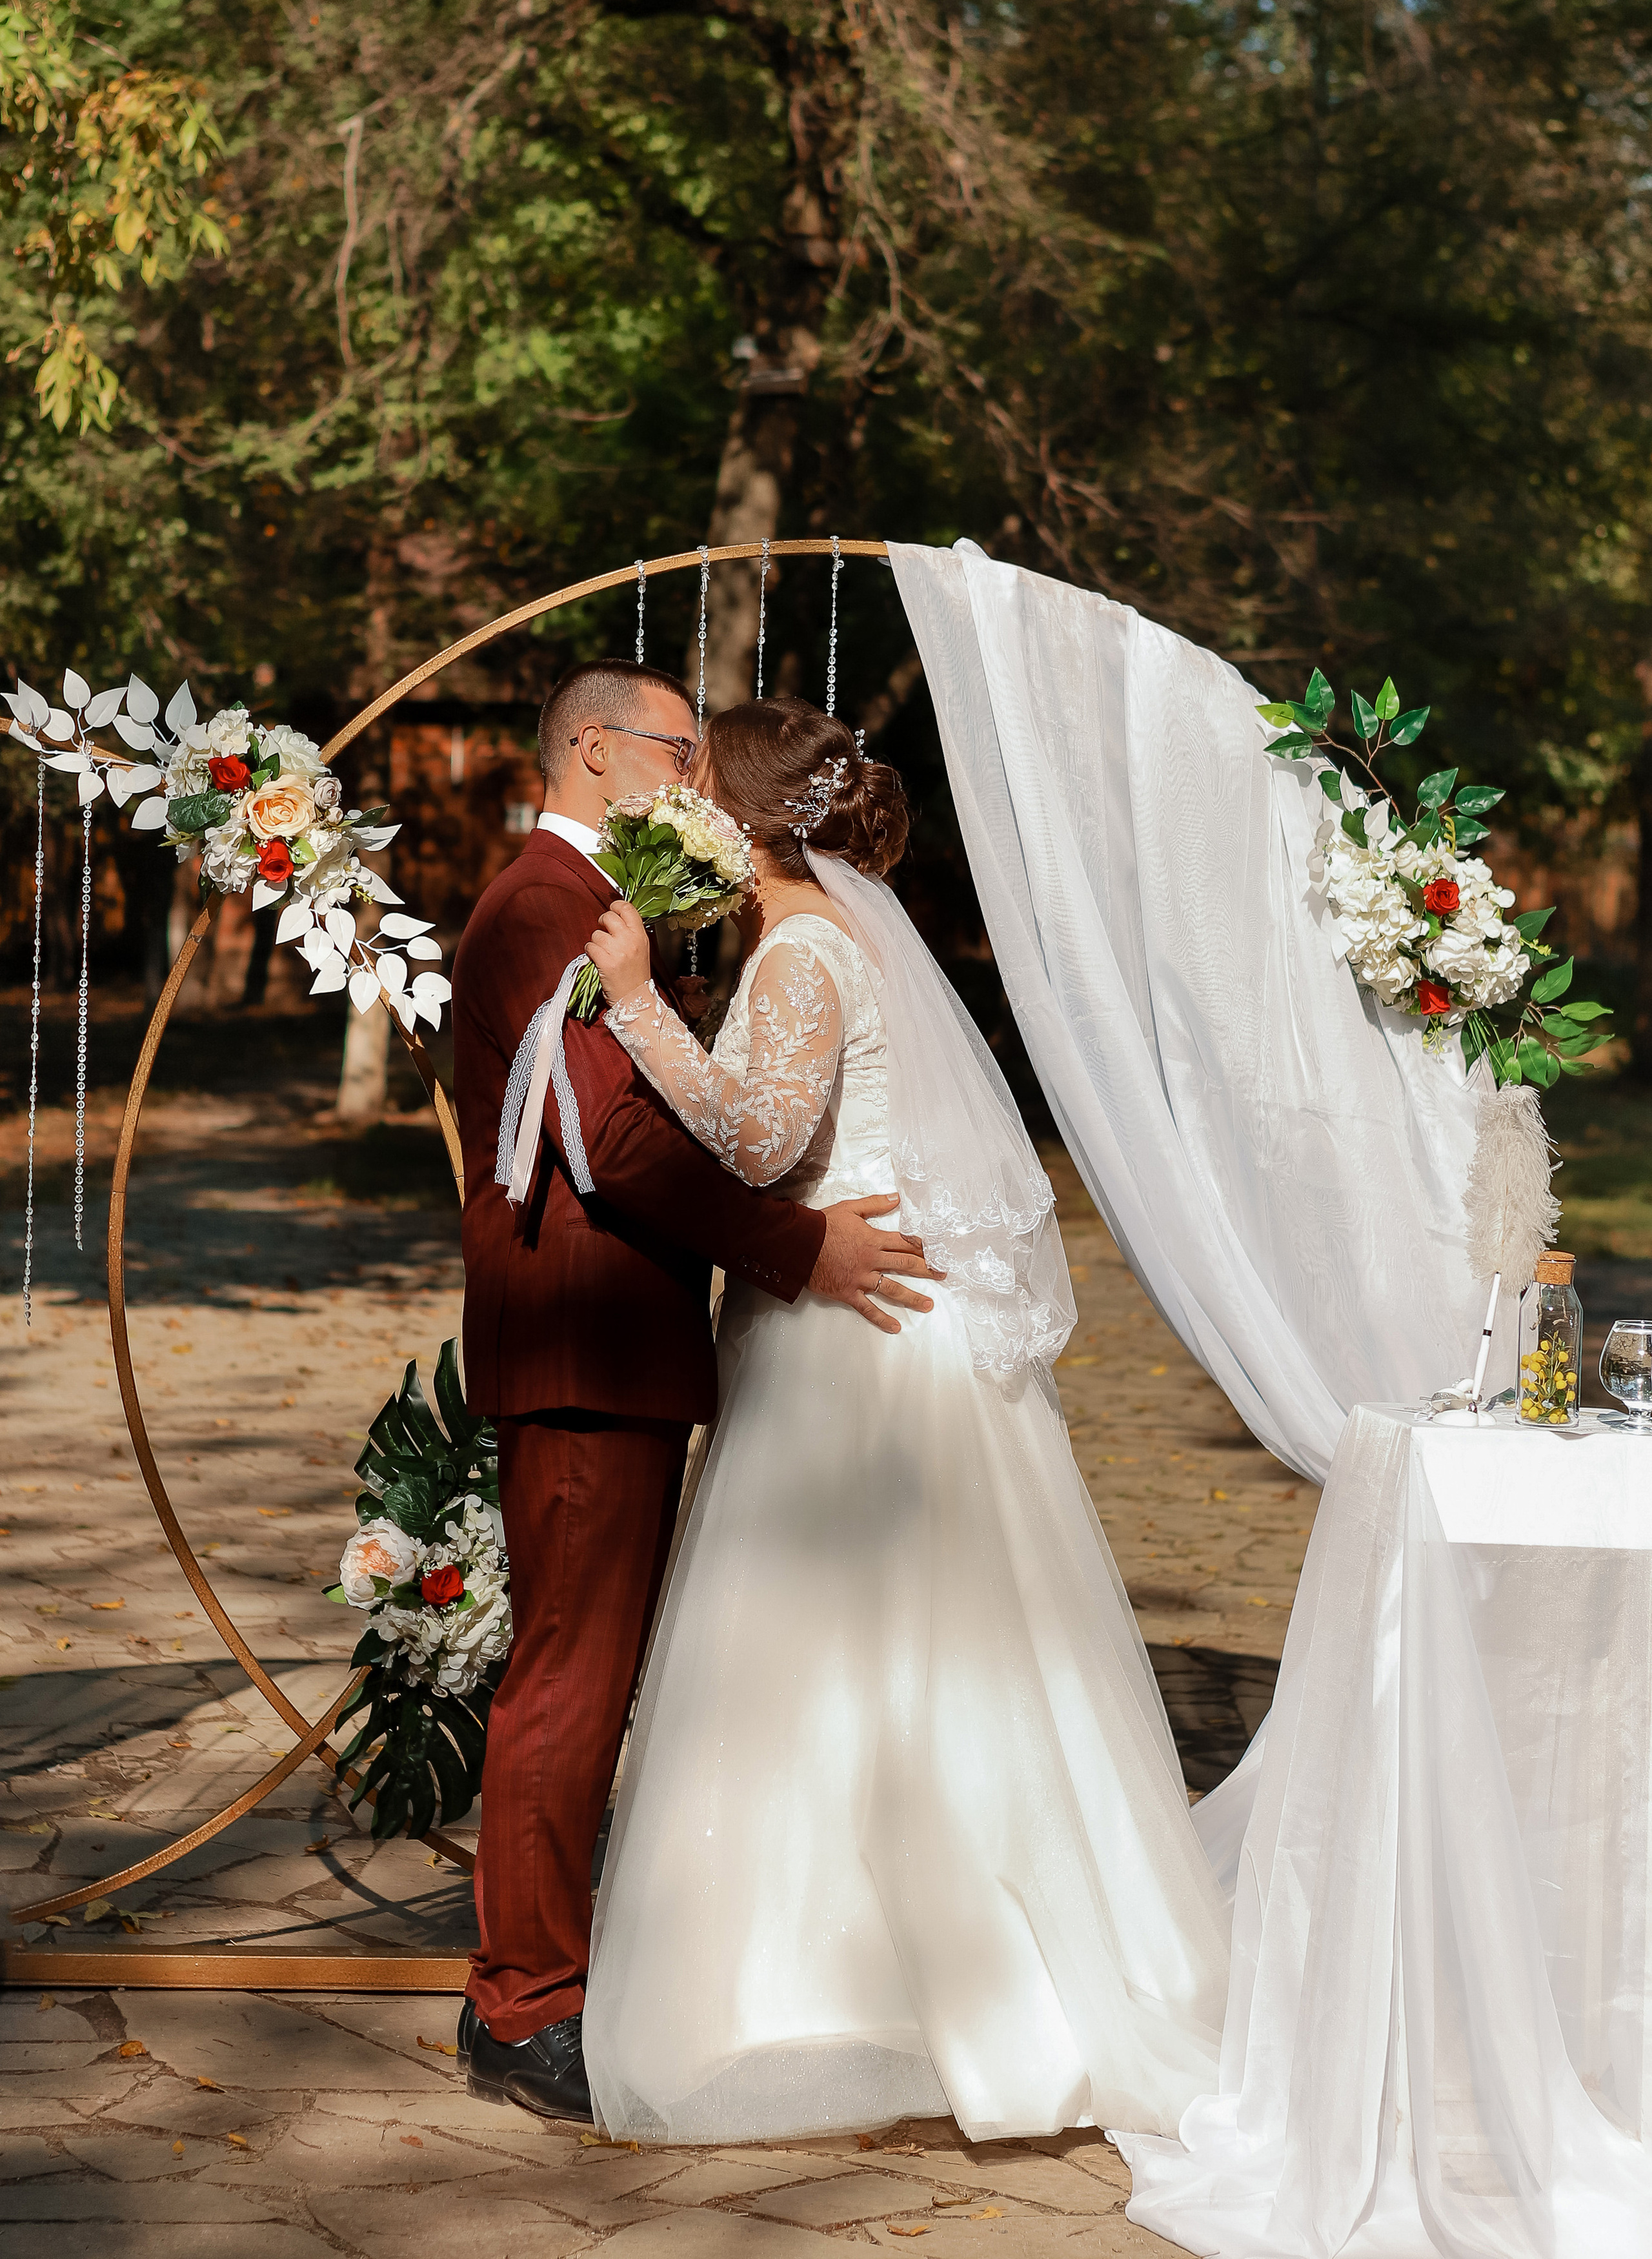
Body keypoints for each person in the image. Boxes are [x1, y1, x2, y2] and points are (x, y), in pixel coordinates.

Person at [577, 697, 1231, 2145]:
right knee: (925, 1657)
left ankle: (812, 1994)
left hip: (846, 1350)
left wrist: (635, 1002)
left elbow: (757, 1140)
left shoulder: (805, 950)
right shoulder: (851, 938)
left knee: (824, 1657)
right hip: (876, 1326)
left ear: (739, 825)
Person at [450, 660, 940, 2123]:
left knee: (589, 1671)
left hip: (619, 1340)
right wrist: (803, 1249)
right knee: (570, 1676)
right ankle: (522, 2002)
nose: (693, 784)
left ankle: (567, 1968)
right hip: (588, 1341)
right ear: (594, 751)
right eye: (675, 750)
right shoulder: (546, 904)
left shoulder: (594, 908)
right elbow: (622, 1142)